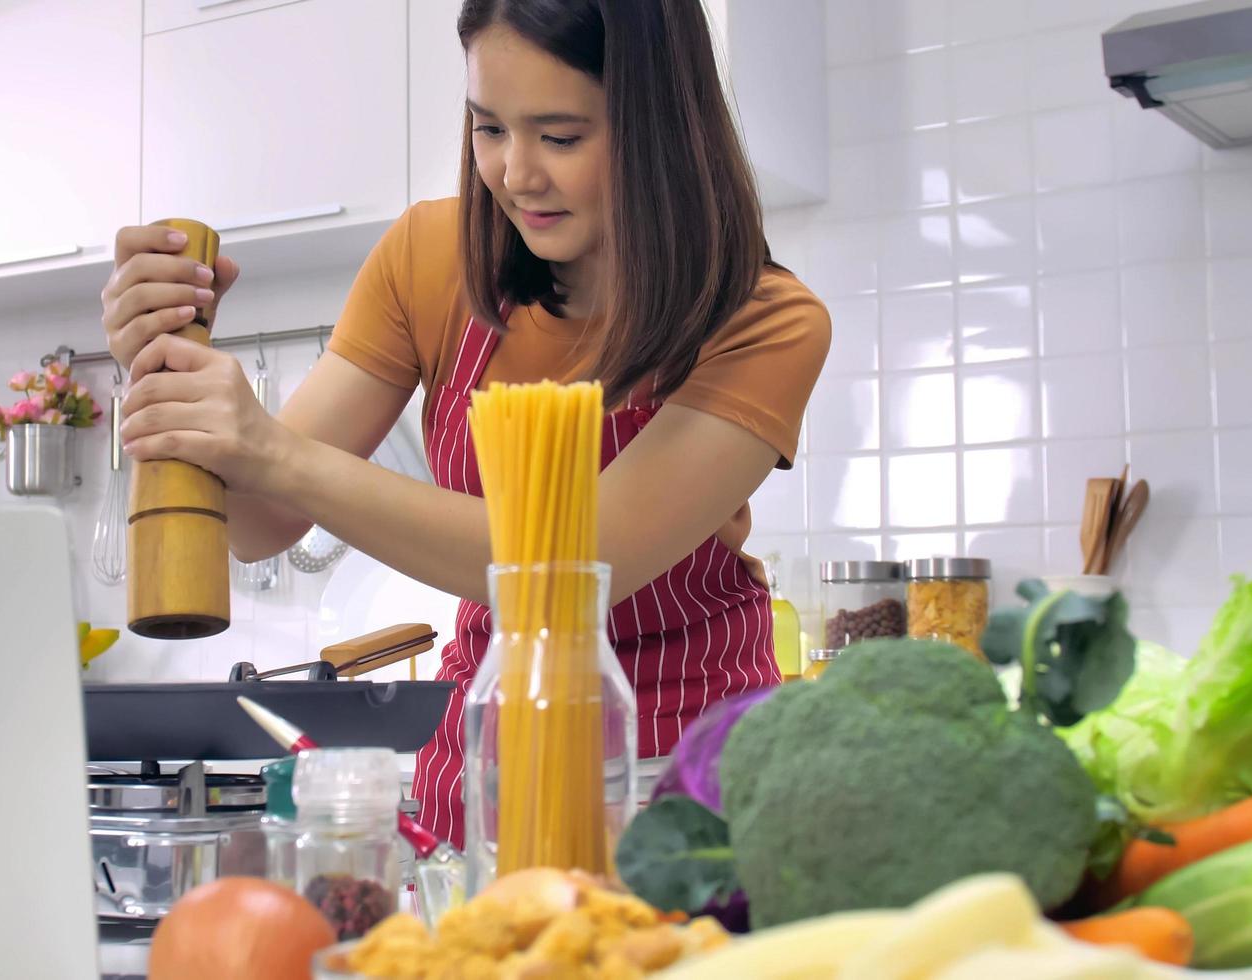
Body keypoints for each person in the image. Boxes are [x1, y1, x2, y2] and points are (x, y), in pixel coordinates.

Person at [100, 0, 830, 847]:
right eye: (490, 128)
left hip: (689, 783)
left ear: (660, 128)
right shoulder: (429, 259)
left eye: (560, 137)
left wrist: (267, 446)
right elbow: (259, 525)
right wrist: (161, 363)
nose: (517, 173)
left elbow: (573, 563)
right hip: (484, 769)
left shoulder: (765, 321)